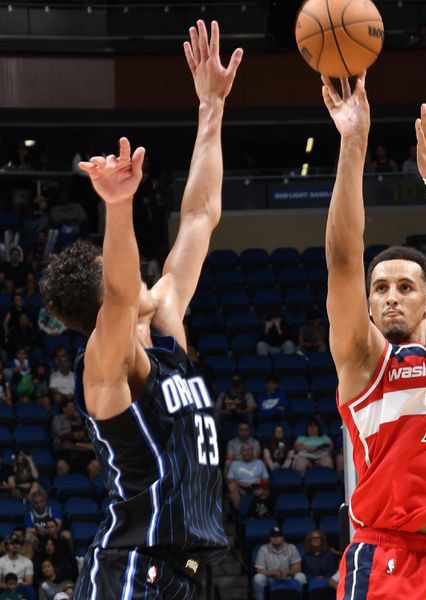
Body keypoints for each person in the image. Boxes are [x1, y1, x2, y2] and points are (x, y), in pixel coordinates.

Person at [38, 20, 241, 598]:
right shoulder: (107, 363)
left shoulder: (167, 324)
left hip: (184, 572)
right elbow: (123, 294)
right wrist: (118, 206)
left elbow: (202, 214)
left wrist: (211, 107)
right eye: (121, 270)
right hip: (132, 566)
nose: (145, 271)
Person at [322, 74, 426, 599]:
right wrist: (353, 142)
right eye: (379, 289)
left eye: (404, 286)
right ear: (369, 304)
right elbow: (344, 257)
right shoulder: (361, 360)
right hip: (387, 562)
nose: (390, 296)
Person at [252, 527, 306, 600]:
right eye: (273, 536)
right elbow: (260, 570)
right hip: (270, 578)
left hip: (288, 577)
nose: (276, 538)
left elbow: (297, 568)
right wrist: (274, 573)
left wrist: (287, 572)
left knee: (301, 576)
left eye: (278, 536)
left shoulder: (291, 547)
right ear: (270, 538)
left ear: (283, 538)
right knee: (258, 578)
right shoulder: (263, 549)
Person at [226, 442, 269, 512]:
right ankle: (241, 511)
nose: (247, 452)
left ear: (253, 452)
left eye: (249, 450)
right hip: (241, 489)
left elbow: (266, 480)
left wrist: (259, 482)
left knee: (264, 491)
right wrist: (239, 483)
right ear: (241, 453)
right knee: (231, 486)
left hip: (256, 487)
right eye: (245, 450)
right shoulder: (234, 464)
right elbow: (230, 480)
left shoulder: (260, 463)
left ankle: (250, 510)